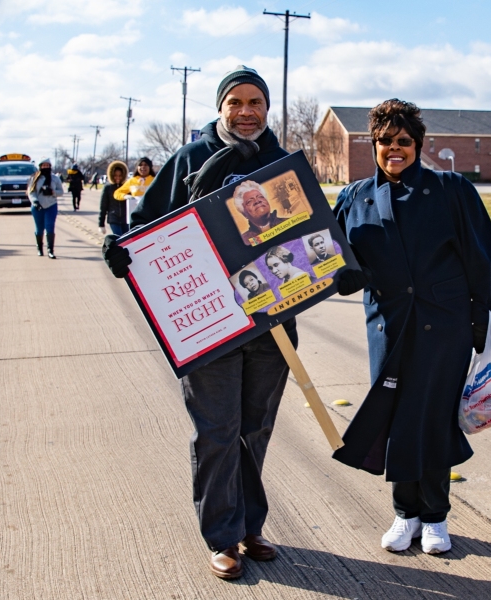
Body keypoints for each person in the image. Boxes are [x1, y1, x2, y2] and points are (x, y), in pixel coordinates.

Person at [103, 66, 295, 580]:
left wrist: (338, 269)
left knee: (255, 429)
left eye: (255, 102)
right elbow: (142, 222)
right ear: (220, 108)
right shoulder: (189, 160)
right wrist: (120, 247)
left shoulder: (284, 163)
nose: (246, 111)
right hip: (206, 324)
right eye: (235, 102)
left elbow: (312, 232)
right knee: (216, 430)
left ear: (267, 108)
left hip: (272, 324)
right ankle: (222, 537)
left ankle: (251, 527)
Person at [332, 99, 491, 555]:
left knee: (433, 419)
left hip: (444, 326)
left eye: (404, 141)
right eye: (385, 141)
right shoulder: (354, 197)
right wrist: (342, 277)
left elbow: (481, 257)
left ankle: (436, 517)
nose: (394, 149)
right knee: (396, 418)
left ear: (418, 144)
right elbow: (330, 258)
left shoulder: (451, 190)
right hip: (387, 326)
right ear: (374, 145)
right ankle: (405, 514)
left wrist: (483, 318)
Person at [28, 158, 64, 259]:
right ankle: (39, 248)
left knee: (50, 227)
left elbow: (61, 191)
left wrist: (53, 192)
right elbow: (31, 192)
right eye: (43, 166)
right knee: (39, 229)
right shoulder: (34, 178)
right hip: (38, 206)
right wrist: (35, 201)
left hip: (51, 205)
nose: (46, 167)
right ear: (40, 167)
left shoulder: (55, 178)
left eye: (47, 165)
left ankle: (50, 250)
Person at [232, 179, 286, 244]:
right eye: (249, 201)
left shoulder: (288, 222)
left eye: (260, 197)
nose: (257, 201)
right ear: (244, 214)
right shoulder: (245, 241)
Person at [98, 160, 129, 236]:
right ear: (111, 175)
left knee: (127, 240)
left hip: (126, 219)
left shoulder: (127, 187)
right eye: (115, 175)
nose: (118, 178)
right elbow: (103, 206)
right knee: (119, 238)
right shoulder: (108, 187)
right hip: (113, 218)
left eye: (120, 175)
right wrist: (101, 224)